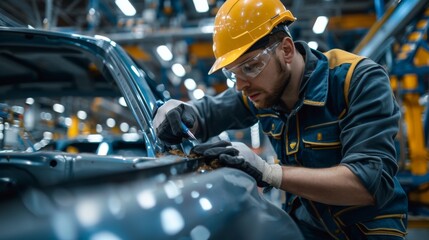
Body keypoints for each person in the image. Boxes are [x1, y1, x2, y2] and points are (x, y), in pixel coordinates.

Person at [153, 0, 408, 239]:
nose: (241, 85)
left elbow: (367, 184)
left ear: (286, 50)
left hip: (368, 229)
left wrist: (268, 172)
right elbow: (208, 113)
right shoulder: (261, 90)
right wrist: (183, 113)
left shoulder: (357, 80)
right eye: (233, 74)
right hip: (309, 225)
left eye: (250, 67)